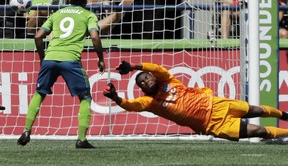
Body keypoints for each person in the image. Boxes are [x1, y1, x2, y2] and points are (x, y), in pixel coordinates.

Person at [103, 61, 288, 141]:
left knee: (257, 110)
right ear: (142, 89)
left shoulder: (168, 80)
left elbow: (158, 68)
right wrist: (115, 97)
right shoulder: (150, 103)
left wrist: (134, 66)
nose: (146, 81)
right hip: (213, 124)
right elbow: (131, 106)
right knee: (259, 131)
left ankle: (284, 115)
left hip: (216, 104)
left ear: (153, 78)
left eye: (146, 77)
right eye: (142, 83)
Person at [17, 0, 105, 149]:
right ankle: (81, 139)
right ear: (85, 0)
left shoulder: (57, 13)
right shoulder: (89, 15)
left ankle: (26, 130)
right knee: (85, 97)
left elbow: (38, 37)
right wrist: (100, 58)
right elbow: (94, 37)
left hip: (50, 57)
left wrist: (43, 57)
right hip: (70, 60)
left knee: (39, 93)